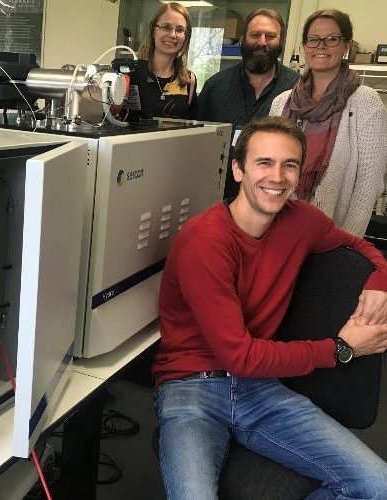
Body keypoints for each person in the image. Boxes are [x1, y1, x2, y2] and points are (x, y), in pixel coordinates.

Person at [154, 116, 387, 499]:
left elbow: (363, 248)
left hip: (259, 389)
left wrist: (380, 282)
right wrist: (341, 349)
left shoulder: (303, 221)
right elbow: (239, 356)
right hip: (192, 388)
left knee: (375, 485)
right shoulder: (205, 240)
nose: (277, 177)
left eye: (289, 165)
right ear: (238, 169)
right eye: (264, 163)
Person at [270, 9, 387, 236]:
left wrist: (346, 243)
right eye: (313, 40)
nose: (321, 46)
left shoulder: (366, 103)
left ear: (346, 46)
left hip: (334, 232)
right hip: (279, 226)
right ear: (304, 47)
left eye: (331, 39)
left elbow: (368, 183)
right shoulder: (282, 103)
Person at [197, 8, 299, 199]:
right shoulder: (215, 86)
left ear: (281, 42)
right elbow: (198, 144)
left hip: (273, 198)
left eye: (270, 36)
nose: (262, 42)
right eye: (255, 35)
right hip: (218, 198)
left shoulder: (297, 89)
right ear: (243, 38)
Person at [136, 2, 196, 119]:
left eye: (179, 30)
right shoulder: (132, 74)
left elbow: (191, 131)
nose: (172, 35)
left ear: (185, 36)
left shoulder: (189, 80)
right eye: (166, 27)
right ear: (153, 30)